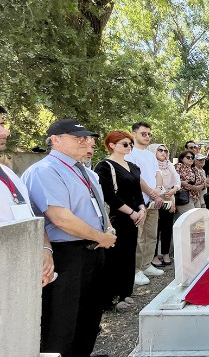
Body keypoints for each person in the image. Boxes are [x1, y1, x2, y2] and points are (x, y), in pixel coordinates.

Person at [22, 118, 117, 357]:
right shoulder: (45, 170)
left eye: (87, 138)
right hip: (66, 255)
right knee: (61, 323)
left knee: (89, 316)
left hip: (93, 251)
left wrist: (107, 229)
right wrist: (101, 236)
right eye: (79, 138)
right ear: (55, 140)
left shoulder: (84, 171)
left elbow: (95, 206)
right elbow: (60, 217)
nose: (86, 142)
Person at [0, 106, 55, 288]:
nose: (6, 132)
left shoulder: (9, 173)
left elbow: (34, 215)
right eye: (0, 125)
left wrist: (45, 250)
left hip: (23, 274)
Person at [95, 131, 145, 310]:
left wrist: (141, 208)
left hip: (134, 217)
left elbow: (138, 191)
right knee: (114, 257)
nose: (129, 147)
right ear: (111, 145)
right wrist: (131, 212)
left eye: (130, 144)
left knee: (129, 254)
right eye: (125, 144)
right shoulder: (104, 166)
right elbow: (108, 195)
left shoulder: (133, 166)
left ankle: (125, 292)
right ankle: (109, 299)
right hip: (117, 217)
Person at [125, 121, 165, 286]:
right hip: (138, 201)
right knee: (139, 237)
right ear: (134, 133)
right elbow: (136, 177)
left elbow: (158, 173)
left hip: (153, 200)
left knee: (152, 235)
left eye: (149, 134)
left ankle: (147, 264)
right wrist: (151, 192)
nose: (147, 136)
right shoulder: (130, 153)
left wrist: (157, 189)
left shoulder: (150, 155)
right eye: (143, 133)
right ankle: (136, 270)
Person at [148, 143, 180, 268]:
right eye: (160, 150)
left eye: (165, 150)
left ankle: (165, 253)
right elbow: (151, 182)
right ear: (153, 151)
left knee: (167, 227)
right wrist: (166, 195)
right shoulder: (150, 165)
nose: (163, 153)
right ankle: (153, 256)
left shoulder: (169, 165)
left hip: (169, 198)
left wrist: (173, 193)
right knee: (154, 229)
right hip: (154, 199)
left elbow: (177, 181)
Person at [174, 150, 206, 218]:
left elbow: (203, 183)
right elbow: (175, 180)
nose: (191, 159)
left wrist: (196, 187)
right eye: (188, 157)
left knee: (197, 219)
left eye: (192, 157)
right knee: (190, 218)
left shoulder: (194, 169)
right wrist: (194, 187)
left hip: (195, 196)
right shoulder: (178, 166)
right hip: (184, 196)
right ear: (182, 158)